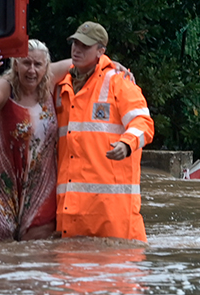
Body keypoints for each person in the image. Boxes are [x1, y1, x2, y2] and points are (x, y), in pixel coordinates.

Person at [54, 21, 154, 243]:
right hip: (71, 217)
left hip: (113, 219)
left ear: (101, 51)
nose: (77, 49)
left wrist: (126, 144)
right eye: (75, 43)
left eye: (85, 46)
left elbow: (143, 123)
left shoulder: (120, 82)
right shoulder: (62, 87)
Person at [0, 39, 61, 242]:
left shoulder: (49, 83)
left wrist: (113, 66)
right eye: (26, 63)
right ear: (16, 65)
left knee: (37, 244)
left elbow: (82, 61)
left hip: (39, 180)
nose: (32, 70)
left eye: (38, 64)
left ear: (46, 66)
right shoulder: (6, 86)